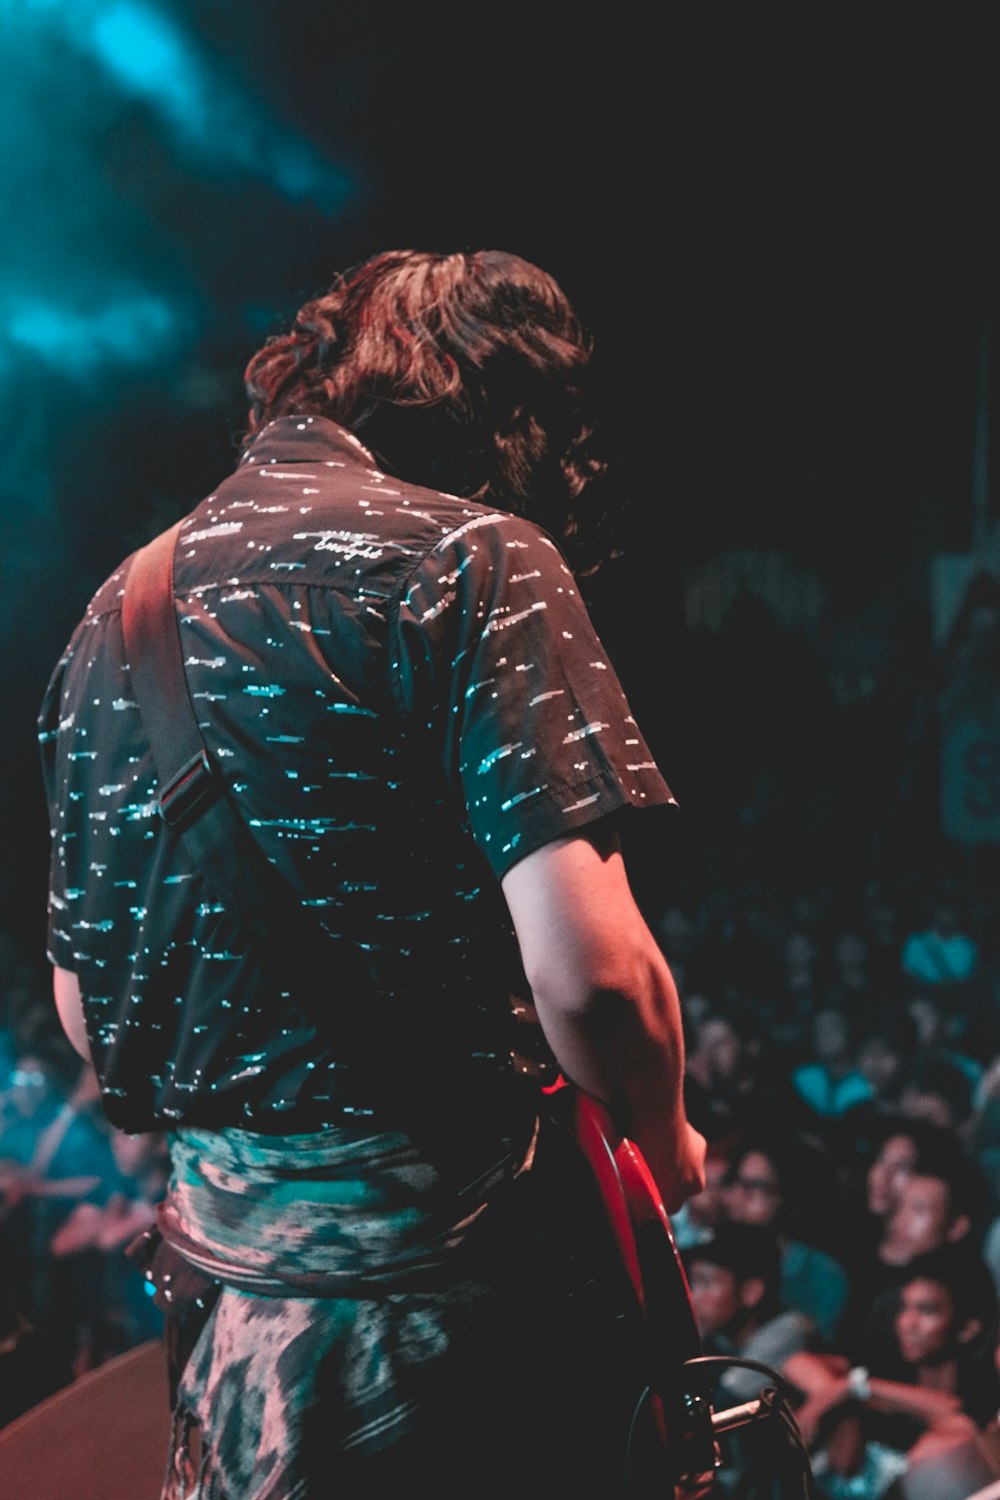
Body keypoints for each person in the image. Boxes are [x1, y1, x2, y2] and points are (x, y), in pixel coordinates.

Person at [37, 248, 707, 1499]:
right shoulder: (478, 555)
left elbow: (86, 1012)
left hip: (230, 1343)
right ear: (498, 416)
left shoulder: (109, 615)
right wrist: (665, 1138)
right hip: (470, 1332)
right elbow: (596, 975)